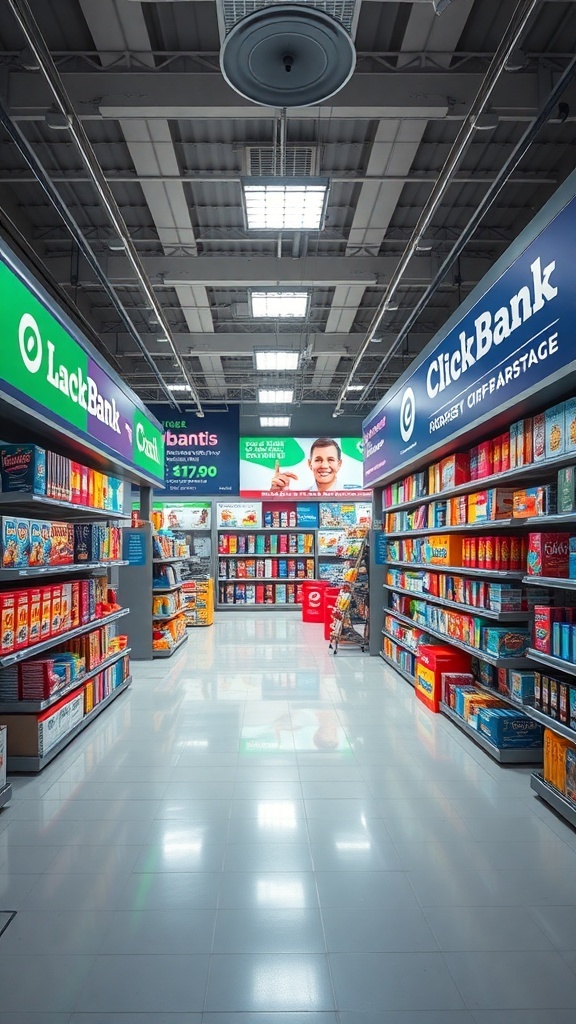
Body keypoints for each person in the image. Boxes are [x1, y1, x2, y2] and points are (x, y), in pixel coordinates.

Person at [270, 437, 343, 493]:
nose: (324, 466)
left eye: (330, 460)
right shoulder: (300, 496)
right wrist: (276, 495)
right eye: (318, 460)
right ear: (310, 464)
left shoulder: (351, 492)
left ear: (339, 464)